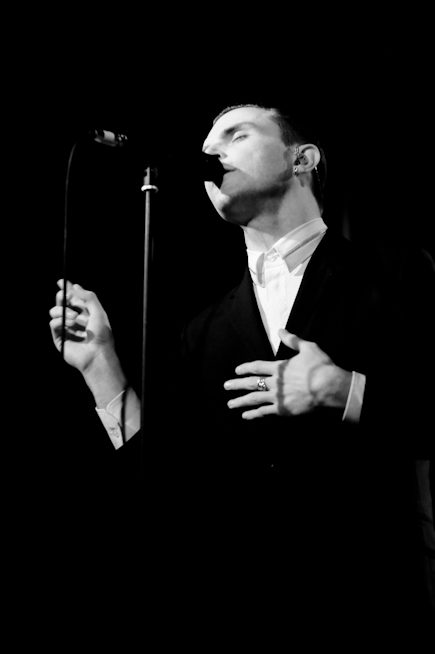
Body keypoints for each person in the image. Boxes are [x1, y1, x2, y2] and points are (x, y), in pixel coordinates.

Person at [49, 103, 435, 637]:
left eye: (236, 135)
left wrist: (343, 389)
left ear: (302, 159)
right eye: (208, 146)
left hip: (370, 600)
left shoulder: (397, 273)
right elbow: (167, 482)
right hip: (242, 609)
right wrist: (101, 367)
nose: (212, 152)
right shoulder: (203, 328)